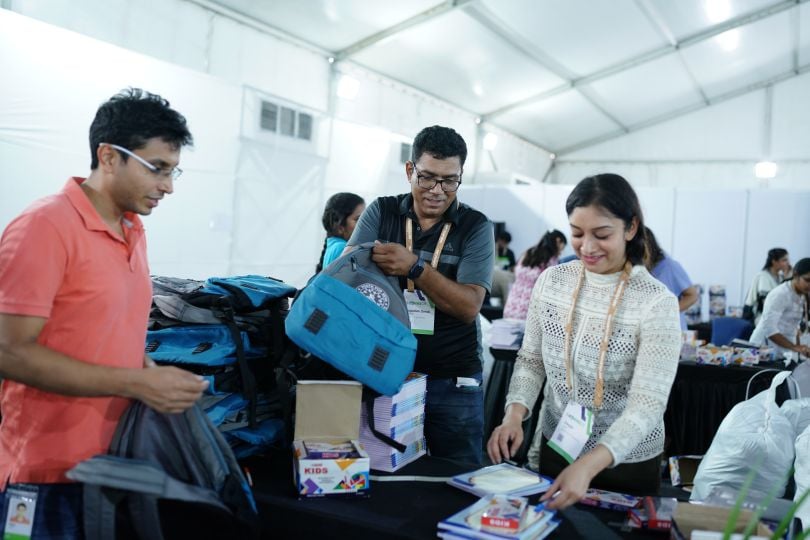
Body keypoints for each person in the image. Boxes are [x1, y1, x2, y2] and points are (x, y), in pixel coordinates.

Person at [0, 88, 208, 537]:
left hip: (111, 466)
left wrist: (156, 377)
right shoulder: (44, 228)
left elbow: (108, 333)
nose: (168, 186)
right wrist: (138, 382)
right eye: (157, 168)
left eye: (174, 172)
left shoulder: (133, 229)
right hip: (46, 477)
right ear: (109, 157)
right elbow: (10, 353)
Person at [487, 173, 681, 510]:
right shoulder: (552, 282)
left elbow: (647, 405)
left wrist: (589, 466)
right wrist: (514, 415)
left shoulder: (655, 303)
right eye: (577, 233)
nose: (587, 247)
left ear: (631, 228)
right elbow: (531, 358)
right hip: (559, 445)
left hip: (626, 462)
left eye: (601, 235)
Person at [347, 125, 494, 465]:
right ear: (410, 170)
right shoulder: (381, 212)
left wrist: (414, 268)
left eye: (449, 180)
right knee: (384, 475)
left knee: (456, 477)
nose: (438, 191)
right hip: (383, 372)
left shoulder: (475, 226)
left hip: (452, 379)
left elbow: (469, 306)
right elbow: (347, 277)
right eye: (428, 178)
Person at [749, 257, 810, 360]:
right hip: (762, 348)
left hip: (783, 348)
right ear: (795, 275)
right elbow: (769, 329)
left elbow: (794, 326)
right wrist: (795, 347)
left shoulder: (803, 295)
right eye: (807, 280)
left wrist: (800, 349)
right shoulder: (780, 294)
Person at [502, 230, 567, 320]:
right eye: (562, 247)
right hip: (529, 311)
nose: (561, 251)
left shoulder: (529, 252)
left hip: (512, 305)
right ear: (558, 241)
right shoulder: (551, 260)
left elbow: (516, 271)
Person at [644, 226, 698, 330]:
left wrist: (667, 312)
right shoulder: (636, 269)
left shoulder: (670, 266)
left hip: (670, 329)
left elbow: (692, 295)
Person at [315, 192, 365, 272]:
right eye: (358, 219)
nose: (365, 224)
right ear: (340, 227)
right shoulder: (342, 248)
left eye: (365, 218)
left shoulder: (335, 246)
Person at [744, 248, 791, 324]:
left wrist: (787, 278)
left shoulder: (780, 277)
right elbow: (768, 304)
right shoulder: (763, 277)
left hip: (776, 316)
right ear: (774, 261)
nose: (788, 263)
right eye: (784, 260)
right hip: (761, 317)